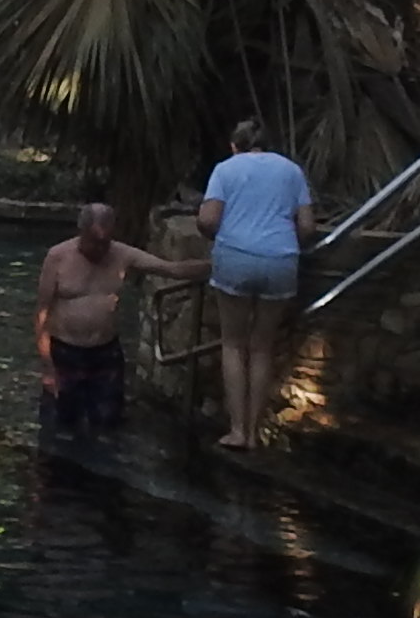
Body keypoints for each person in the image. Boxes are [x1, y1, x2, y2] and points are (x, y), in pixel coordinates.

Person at [198, 118, 317, 453]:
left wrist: (211, 233)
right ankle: (254, 433)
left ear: (234, 145)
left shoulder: (225, 169)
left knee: (233, 344)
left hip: (235, 256)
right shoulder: (292, 171)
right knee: (262, 347)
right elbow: (307, 227)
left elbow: (208, 219)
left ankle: (237, 430)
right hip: (280, 260)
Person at [33, 200, 186, 436]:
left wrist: (218, 266)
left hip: (105, 352)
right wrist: (48, 367)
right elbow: (42, 313)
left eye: (104, 243)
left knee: (109, 423)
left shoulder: (122, 254)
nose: (99, 249)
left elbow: (171, 269)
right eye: (93, 241)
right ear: (81, 231)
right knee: (60, 424)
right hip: (65, 351)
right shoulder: (57, 256)